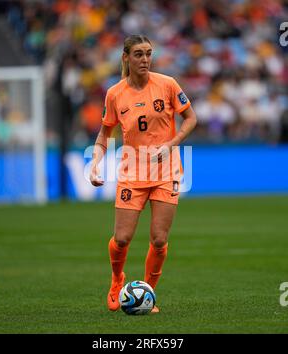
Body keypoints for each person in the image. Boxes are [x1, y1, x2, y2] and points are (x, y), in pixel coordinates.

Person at [89, 35, 197, 313]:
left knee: (159, 239)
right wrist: (95, 163)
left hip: (166, 170)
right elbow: (104, 133)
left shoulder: (168, 84)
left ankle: (148, 295)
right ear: (126, 57)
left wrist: (172, 144)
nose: (145, 59)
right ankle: (117, 280)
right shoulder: (115, 94)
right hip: (132, 171)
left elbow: (191, 118)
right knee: (122, 237)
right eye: (138, 54)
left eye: (148, 53)